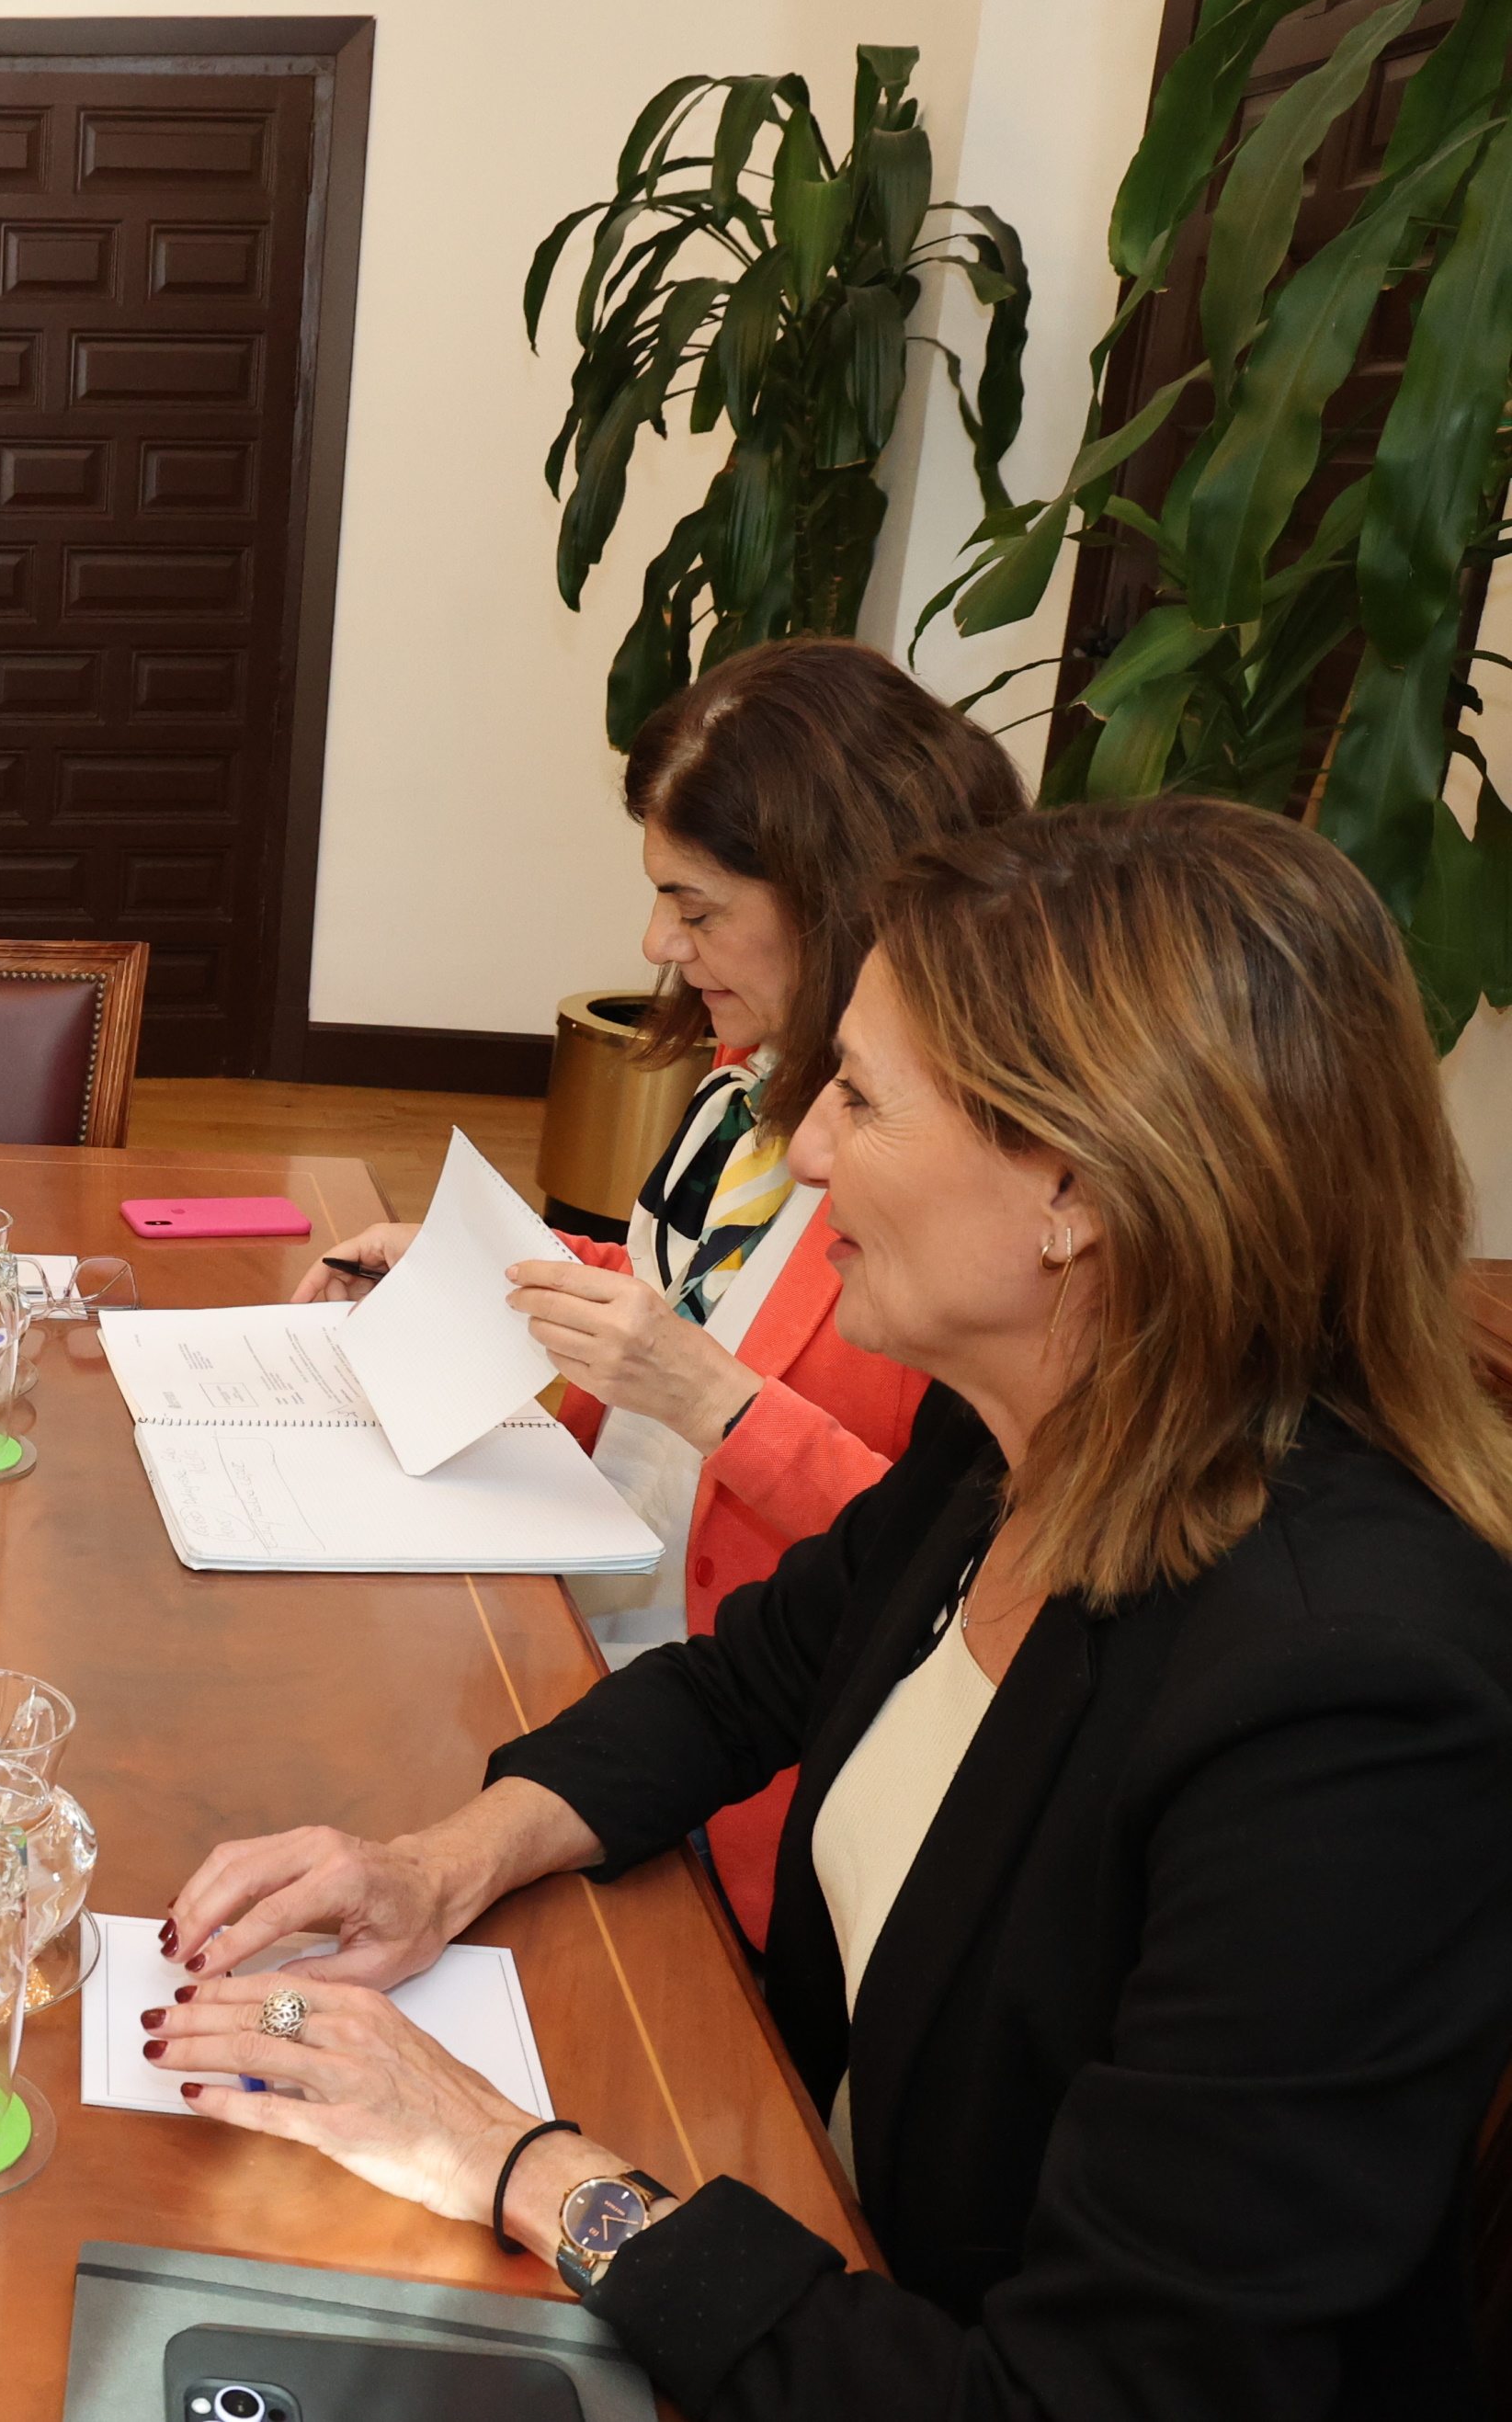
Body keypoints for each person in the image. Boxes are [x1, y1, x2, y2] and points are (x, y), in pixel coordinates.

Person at [160, 798, 1512, 2417]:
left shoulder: (1347, 1703)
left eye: (859, 1099)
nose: (802, 1148)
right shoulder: (1004, 1429)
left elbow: (1079, 2397)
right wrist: (436, 1863)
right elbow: (742, 1684)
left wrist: (519, 2165)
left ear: (1073, 1187)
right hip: (826, 2237)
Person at [294, 636, 1025, 1941]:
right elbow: (682, 1294)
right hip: (602, 1639)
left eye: (694, 907)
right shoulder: (740, 1087)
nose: (655, 941)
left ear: (834, 894)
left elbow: (944, 1553)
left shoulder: (953, 1204)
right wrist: (491, 1265)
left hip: (741, 1770)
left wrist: (715, 1400)